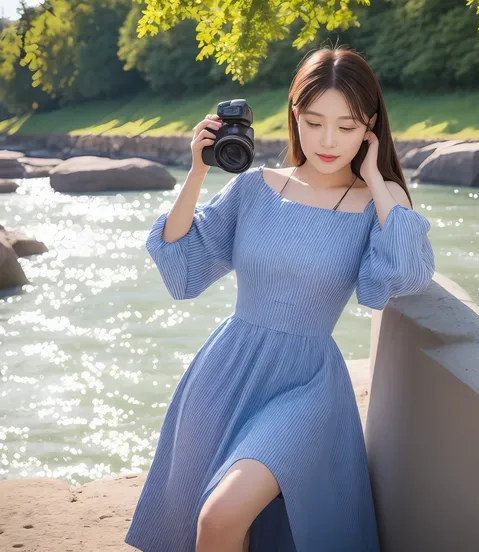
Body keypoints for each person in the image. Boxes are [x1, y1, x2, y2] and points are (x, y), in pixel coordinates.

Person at [124, 45, 435, 552]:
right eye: (314, 122)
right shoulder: (255, 188)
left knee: (221, 515)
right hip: (228, 371)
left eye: (348, 125)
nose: (329, 140)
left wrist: (378, 178)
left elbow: (403, 276)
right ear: (295, 116)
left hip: (307, 384)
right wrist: (197, 170)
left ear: (370, 128)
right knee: (213, 520)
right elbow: (184, 267)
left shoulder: (375, 202)